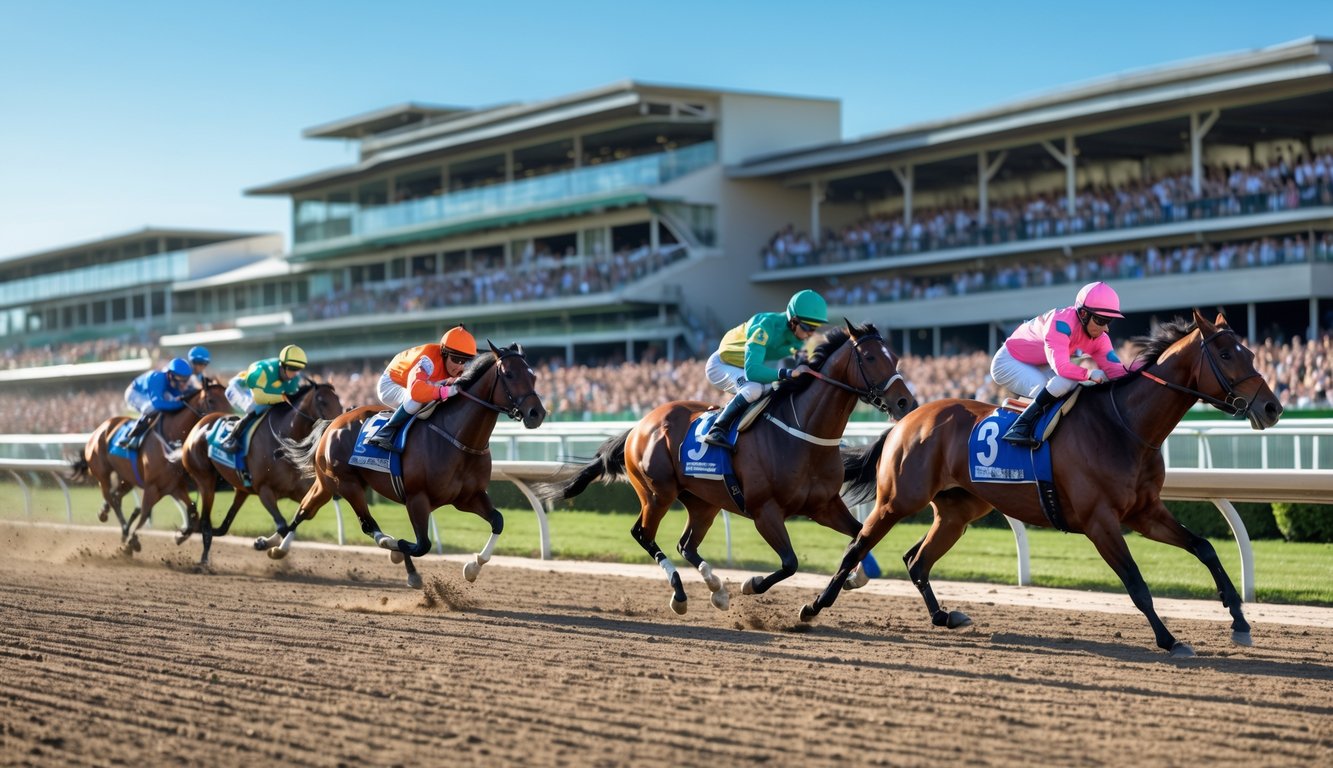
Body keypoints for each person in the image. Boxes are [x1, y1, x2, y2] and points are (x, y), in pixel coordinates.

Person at [989, 281, 1131, 447]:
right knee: (1052, 383)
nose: (1106, 328)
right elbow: (1061, 367)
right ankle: (1020, 426)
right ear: (1083, 314)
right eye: (1101, 320)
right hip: (1008, 361)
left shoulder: (1100, 338)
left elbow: (1117, 371)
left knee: (1071, 386)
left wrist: (1142, 373)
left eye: (1109, 321)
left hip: (1040, 363)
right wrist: (1090, 374)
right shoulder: (1060, 324)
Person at [701, 289, 827, 450]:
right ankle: (717, 429)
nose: (810, 334)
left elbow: (800, 359)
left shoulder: (798, 338)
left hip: (742, 367)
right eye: (807, 327)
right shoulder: (765, 326)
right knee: (753, 389)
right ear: (793, 321)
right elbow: (753, 371)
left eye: (814, 328)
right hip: (721, 365)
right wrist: (787, 373)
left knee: (772, 389)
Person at [366, 325, 477, 451]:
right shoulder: (427, 361)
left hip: (421, 384)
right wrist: (444, 391)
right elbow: (416, 392)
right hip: (392, 384)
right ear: (444, 354)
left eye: (464, 361)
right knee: (417, 402)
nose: (459, 366)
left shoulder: (459, 366)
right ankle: (385, 432)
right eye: (456, 359)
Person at [220, 345, 307, 453]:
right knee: (253, 407)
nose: (294, 373)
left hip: (263, 392)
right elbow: (259, 398)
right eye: (292, 369)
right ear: (282, 365)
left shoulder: (294, 378)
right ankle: (232, 437)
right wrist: (282, 397)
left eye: (298, 369)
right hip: (238, 389)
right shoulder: (261, 370)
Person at [117, 357, 193, 449]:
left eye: (185, 379)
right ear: (170, 374)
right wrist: (179, 405)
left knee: (172, 402)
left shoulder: (171, 379)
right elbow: (158, 404)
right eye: (180, 378)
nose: (183, 383)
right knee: (151, 408)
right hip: (134, 393)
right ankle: (130, 436)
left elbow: (179, 397)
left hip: (151, 394)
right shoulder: (158, 378)